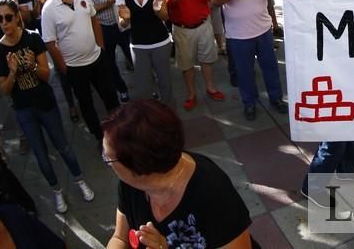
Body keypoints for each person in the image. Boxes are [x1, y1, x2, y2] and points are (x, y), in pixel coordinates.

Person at [103, 100, 259, 249]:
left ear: (138, 165)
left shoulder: (214, 194)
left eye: (108, 158)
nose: (106, 161)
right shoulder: (129, 184)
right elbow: (120, 238)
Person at [0, 0, 95, 213]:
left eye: (8, 17)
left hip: (45, 103)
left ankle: (79, 180)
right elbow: (4, 90)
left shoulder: (32, 38)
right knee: (40, 154)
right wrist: (11, 73)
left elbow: (47, 75)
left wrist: (31, 66)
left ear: (18, 17)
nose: (4, 23)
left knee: (63, 146)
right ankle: (56, 191)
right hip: (23, 110)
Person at [301, 0, 354, 208]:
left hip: (345, 80)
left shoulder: (335, 2)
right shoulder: (312, 12)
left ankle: (347, 169)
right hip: (329, 85)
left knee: (347, 130)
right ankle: (312, 186)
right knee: (334, 140)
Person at [42, 0, 120, 146]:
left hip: (96, 59)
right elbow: (50, 44)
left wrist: (100, 47)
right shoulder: (49, 9)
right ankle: (99, 138)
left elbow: (94, 19)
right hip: (75, 68)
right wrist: (65, 70)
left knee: (110, 95)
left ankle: (120, 131)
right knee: (86, 104)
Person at [211, 0, 287, 121]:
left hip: (263, 30)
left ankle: (276, 98)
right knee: (245, 72)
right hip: (238, 35)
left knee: (270, 67)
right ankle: (249, 103)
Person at [162, 0, 223, 111]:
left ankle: (211, 88)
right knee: (186, 64)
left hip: (203, 25)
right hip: (182, 29)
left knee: (207, 60)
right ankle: (191, 94)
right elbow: (162, 4)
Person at [116, 0, 173, 106]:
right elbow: (122, 23)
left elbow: (165, 16)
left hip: (160, 42)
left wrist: (157, 10)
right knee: (144, 89)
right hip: (138, 44)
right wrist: (125, 19)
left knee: (165, 85)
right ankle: (150, 122)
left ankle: (169, 118)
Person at [85, 0, 133, 103]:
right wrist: (107, 3)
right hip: (104, 28)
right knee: (110, 63)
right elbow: (90, 9)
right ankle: (122, 89)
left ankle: (147, 85)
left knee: (134, 56)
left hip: (123, 25)